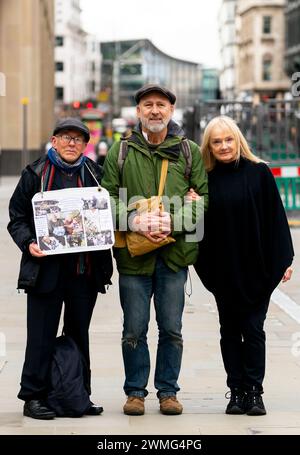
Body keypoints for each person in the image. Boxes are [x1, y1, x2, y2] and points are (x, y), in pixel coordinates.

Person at [102, 84, 208, 416]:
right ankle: (135, 392)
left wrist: (172, 221)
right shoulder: (119, 152)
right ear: (138, 112)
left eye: (161, 105)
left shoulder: (189, 152)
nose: (154, 110)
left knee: (171, 328)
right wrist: (134, 220)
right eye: (147, 105)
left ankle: (168, 392)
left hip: (174, 258)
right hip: (134, 259)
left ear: (171, 111)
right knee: (134, 328)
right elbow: (105, 201)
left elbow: (203, 200)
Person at [7, 117, 113, 420]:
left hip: (84, 271)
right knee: (40, 335)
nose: (72, 144)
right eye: (66, 137)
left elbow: (108, 213)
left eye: (78, 139)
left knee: (79, 333)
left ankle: (79, 394)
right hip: (45, 271)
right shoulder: (35, 174)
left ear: (85, 144)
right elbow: (16, 218)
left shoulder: (96, 173)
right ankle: (33, 396)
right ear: (54, 141)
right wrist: (28, 243)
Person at [194, 115, 294, 416]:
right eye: (217, 141)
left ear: (238, 141)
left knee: (253, 329)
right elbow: (198, 228)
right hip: (223, 269)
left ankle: (254, 391)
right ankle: (235, 390)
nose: (224, 146)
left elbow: (275, 219)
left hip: (258, 267)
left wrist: (284, 260)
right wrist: (193, 202)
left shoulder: (259, 172)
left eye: (228, 140)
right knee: (229, 330)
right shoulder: (205, 180)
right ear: (209, 147)